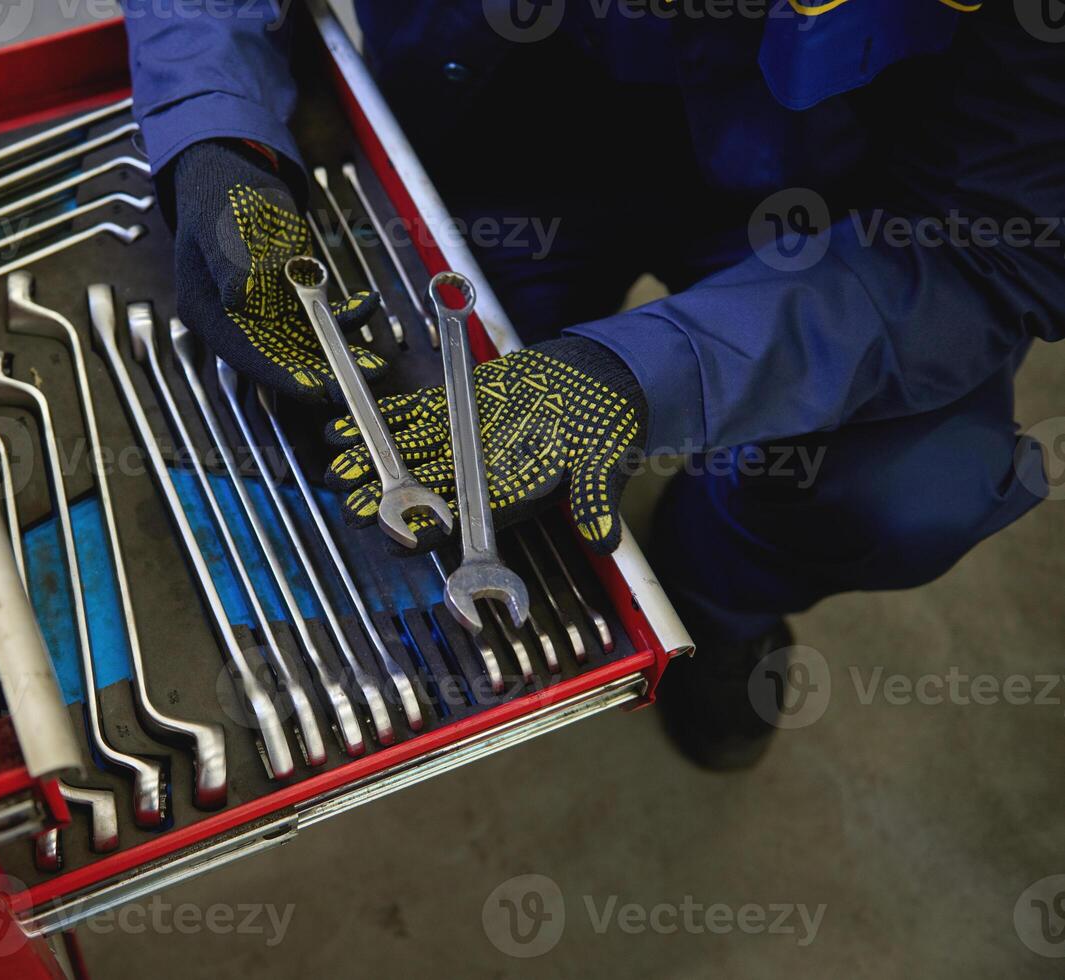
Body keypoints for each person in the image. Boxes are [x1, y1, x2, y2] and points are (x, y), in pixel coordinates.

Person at [123, 1, 1063, 768]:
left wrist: (639, 377)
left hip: (833, 206)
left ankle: (715, 591)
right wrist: (214, 129)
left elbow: (988, 245)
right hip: (499, 120)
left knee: (906, 487)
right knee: (451, 432)